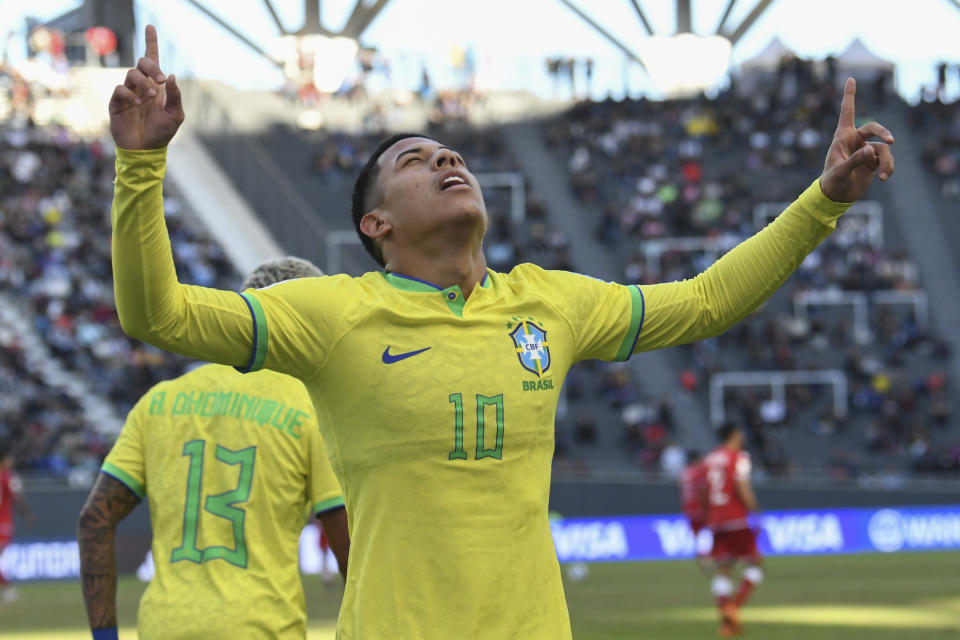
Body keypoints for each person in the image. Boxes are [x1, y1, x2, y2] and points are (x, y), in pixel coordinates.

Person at [108, 25, 894, 638]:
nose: (446, 158)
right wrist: (140, 169)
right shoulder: (331, 314)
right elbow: (158, 314)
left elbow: (707, 301)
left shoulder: (549, 303)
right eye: (416, 160)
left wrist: (821, 202)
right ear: (375, 222)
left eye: (450, 152)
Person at [77, 257, 350, 640]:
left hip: (164, 627)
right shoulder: (310, 408)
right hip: (262, 628)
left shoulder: (160, 400)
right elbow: (349, 547)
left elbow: (95, 519)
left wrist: (105, 637)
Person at [703, 423, 762, 637]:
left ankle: (725, 619)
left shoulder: (709, 460)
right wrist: (755, 510)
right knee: (755, 563)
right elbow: (742, 486)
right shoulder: (739, 457)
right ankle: (733, 608)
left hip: (716, 520)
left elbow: (704, 491)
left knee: (724, 569)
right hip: (736, 518)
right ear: (735, 434)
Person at [0, 443, 33, 604]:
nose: (11, 461)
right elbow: (17, 497)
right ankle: (7, 589)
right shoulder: (8, 476)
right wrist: (27, 514)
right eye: (9, 458)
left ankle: (7, 589)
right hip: (4, 522)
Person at [679, 449, 710, 572]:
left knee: (697, 532)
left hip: (688, 508)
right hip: (699, 507)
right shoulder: (699, 472)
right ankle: (706, 555)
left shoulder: (684, 473)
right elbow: (702, 489)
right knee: (708, 530)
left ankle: (702, 555)